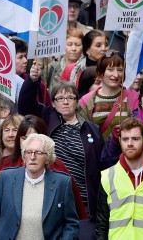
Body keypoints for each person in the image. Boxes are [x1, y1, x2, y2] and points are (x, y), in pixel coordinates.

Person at [30, 80, 103, 220]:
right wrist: (33, 81)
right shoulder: (47, 119)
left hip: (83, 202)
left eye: (70, 98)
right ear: (53, 103)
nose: (65, 102)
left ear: (77, 102)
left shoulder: (92, 130)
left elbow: (102, 165)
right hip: (51, 197)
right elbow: (26, 103)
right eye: (60, 98)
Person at [0, 133, 80, 239]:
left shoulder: (62, 182)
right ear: (23, 156)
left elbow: (71, 223)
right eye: (28, 152)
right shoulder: (6, 178)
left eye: (38, 153)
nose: (32, 157)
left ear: (47, 157)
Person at [78, 53, 140, 140]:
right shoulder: (86, 101)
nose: (116, 75)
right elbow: (82, 133)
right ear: (100, 72)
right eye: (110, 70)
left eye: (120, 70)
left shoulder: (134, 98)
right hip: (98, 152)